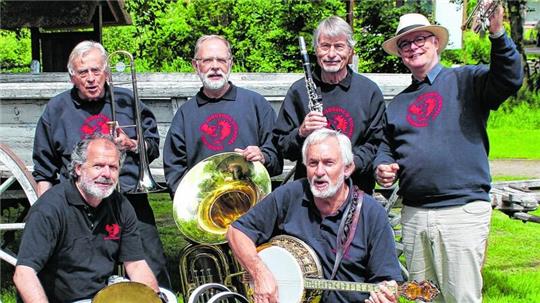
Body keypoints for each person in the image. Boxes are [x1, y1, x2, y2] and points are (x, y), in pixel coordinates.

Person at [375, 6, 523, 303]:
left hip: (461, 211)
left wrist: (498, 34)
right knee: (422, 298)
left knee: (461, 297)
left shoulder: (467, 80)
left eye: (420, 39)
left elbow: (509, 78)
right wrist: (382, 166)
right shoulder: (398, 103)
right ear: (400, 54)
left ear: (435, 43)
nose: (413, 47)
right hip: (414, 214)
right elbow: (385, 146)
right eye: (405, 43)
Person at [31, 41, 170, 288]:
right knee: (77, 273)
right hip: (78, 207)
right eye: (83, 73)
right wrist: (44, 212)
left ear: (106, 73)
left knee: (152, 264)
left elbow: (152, 146)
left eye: (96, 71)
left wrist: (131, 144)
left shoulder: (127, 101)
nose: (91, 79)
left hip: (128, 197)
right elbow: (44, 168)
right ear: (72, 77)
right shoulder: (57, 109)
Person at [227, 129, 403, 303]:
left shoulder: (371, 213)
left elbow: (387, 280)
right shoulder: (290, 195)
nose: (319, 172)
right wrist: (260, 274)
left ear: (347, 168)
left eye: (328, 163)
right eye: (313, 163)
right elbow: (237, 232)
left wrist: (386, 297)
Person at [14, 136, 160, 302]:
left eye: (113, 167)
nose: (106, 174)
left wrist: (155, 298)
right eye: (98, 166)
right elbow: (24, 273)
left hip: (101, 297)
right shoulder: (49, 209)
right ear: (78, 168)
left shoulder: (121, 206)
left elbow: (136, 264)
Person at [273, 16, 385, 194]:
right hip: (309, 195)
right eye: (325, 46)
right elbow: (282, 147)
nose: (331, 54)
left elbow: (377, 143)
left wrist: (350, 164)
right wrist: (301, 133)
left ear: (350, 51)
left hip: (357, 191)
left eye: (339, 46)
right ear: (316, 50)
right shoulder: (299, 91)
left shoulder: (369, 91)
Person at [163, 35, 282, 196]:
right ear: (195, 65)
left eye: (221, 60)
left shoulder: (257, 104)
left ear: (230, 63)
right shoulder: (185, 114)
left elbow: (276, 159)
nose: (215, 66)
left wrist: (263, 157)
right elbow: (175, 171)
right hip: (206, 211)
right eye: (207, 60)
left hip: (253, 209)